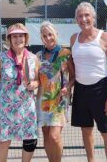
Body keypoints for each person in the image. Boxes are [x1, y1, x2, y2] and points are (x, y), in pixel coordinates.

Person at [70, 2, 107, 162]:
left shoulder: (105, 37)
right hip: (80, 90)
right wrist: (68, 85)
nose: (83, 19)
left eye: (87, 15)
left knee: (106, 132)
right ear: (76, 19)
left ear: (93, 18)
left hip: (101, 90)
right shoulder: (74, 39)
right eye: (80, 16)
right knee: (86, 130)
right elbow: (71, 64)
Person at [0, 23, 39, 162]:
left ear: (26, 38)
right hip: (6, 107)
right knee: (4, 142)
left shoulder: (33, 58)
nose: (18, 39)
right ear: (9, 39)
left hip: (26, 107)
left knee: (29, 141)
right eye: (14, 36)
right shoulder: (1, 58)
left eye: (21, 36)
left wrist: (34, 84)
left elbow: (37, 80)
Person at [36, 21, 75, 162]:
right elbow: (35, 78)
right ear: (41, 38)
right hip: (42, 101)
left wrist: (68, 86)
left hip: (59, 100)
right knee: (46, 135)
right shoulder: (38, 56)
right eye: (45, 36)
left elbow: (73, 76)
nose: (48, 38)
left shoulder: (65, 53)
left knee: (54, 136)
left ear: (56, 34)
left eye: (50, 34)